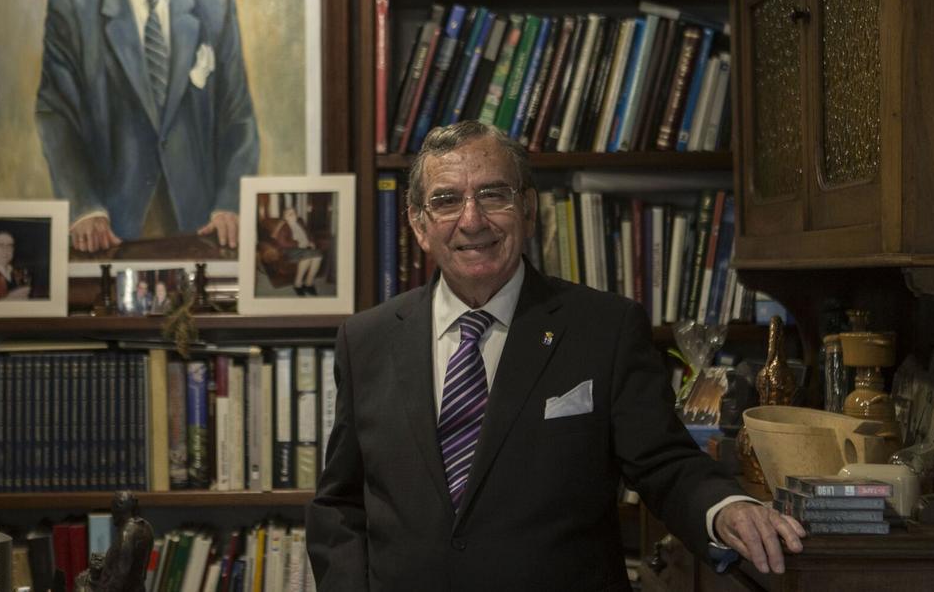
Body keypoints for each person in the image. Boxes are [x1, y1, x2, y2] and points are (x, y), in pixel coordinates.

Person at [306, 121, 805, 591]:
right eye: (446, 200)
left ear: (527, 209)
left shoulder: (604, 328)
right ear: (419, 225)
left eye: (493, 195)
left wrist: (726, 508)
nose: (472, 220)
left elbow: (664, 463)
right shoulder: (366, 341)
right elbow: (340, 503)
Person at [36, 0, 259, 253]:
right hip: (108, 227)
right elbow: (56, 117)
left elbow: (239, 117)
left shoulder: (216, 0)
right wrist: (85, 207)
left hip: (202, 224)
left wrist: (230, 203)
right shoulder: (71, 4)